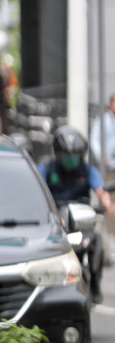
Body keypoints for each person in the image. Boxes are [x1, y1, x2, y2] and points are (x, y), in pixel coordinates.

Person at [39, 125, 110, 302]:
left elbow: (101, 191)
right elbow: (35, 188)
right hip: (56, 222)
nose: (71, 159)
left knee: (96, 242)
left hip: (82, 222)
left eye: (75, 155)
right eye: (67, 155)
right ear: (58, 154)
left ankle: (94, 284)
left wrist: (107, 203)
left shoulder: (87, 170)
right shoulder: (47, 169)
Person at [90, 93, 115, 172]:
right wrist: (101, 157)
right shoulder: (102, 120)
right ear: (110, 104)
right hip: (105, 166)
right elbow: (94, 140)